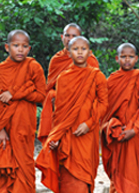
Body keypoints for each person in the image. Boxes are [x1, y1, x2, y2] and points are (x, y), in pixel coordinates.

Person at [36, 36, 107, 193]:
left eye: (83, 49)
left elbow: (104, 104)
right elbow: (60, 114)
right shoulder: (63, 78)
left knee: (83, 177)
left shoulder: (97, 76)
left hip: (87, 135)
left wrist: (88, 124)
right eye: (75, 49)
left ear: (90, 53)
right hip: (68, 137)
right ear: (68, 54)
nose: (80, 52)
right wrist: (55, 137)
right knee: (68, 179)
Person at [0, 29, 46, 193]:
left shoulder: (33, 67)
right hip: (3, 128)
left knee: (24, 166)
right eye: (16, 45)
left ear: (29, 49)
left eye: (24, 46)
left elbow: (42, 95)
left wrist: (16, 93)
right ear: (7, 47)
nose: (20, 49)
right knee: (3, 170)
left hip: (24, 127)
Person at [101, 43, 139, 193]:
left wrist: (134, 129)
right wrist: (109, 127)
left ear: (136, 59)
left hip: (133, 133)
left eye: (130, 57)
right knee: (116, 170)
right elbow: (106, 108)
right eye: (123, 57)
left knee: (131, 172)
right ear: (117, 59)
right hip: (116, 133)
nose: (127, 60)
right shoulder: (112, 80)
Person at [38, 23, 99, 143]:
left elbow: (95, 90)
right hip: (59, 108)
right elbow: (49, 87)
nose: (70, 39)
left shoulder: (90, 60)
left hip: (82, 110)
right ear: (62, 37)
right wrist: (57, 96)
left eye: (74, 36)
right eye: (67, 35)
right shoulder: (57, 60)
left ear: (80, 37)